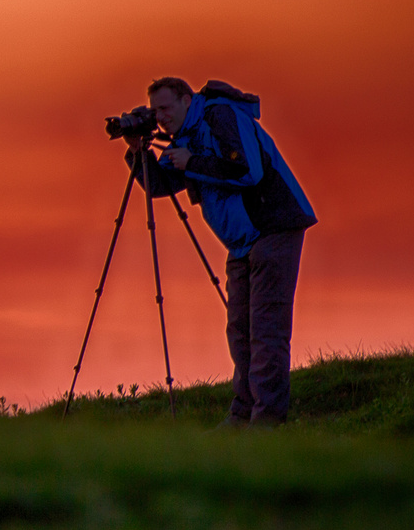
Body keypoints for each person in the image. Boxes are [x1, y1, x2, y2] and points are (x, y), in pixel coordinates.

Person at [126, 77, 317, 426]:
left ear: (187, 99)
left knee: (266, 331)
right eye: (155, 111)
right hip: (241, 244)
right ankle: (243, 414)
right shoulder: (185, 139)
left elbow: (248, 170)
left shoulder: (220, 116)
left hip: (273, 228)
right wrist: (138, 153)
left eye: (165, 108)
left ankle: (267, 423)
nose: (161, 117)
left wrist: (193, 162)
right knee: (239, 332)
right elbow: (164, 186)